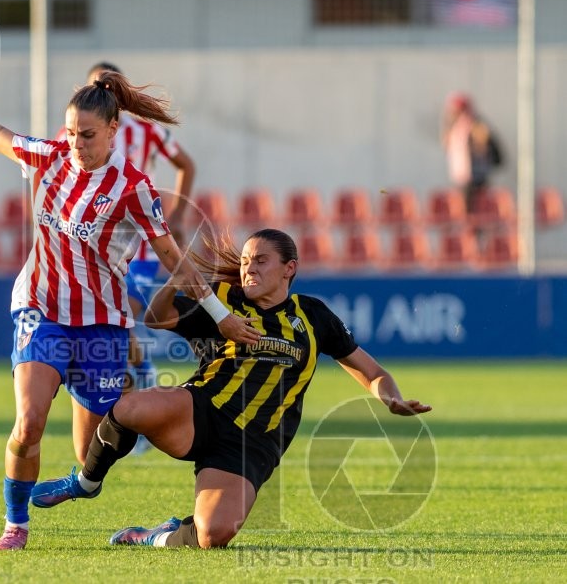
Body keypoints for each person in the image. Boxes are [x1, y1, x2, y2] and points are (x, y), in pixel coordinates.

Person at [0, 25, 261, 551]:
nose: (77, 145)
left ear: (114, 130)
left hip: (101, 323)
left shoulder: (134, 188)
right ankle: (15, 526)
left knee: (89, 455)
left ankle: (97, 490)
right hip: (41, 310)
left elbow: (173, 258)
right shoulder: (48, 155)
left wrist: (220, 315)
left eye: (88, 136)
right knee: (29, 421)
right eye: (73, 132)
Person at [31, 228, 432, 548]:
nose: (248, 269)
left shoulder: (312, 316)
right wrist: (177, 278)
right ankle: (86, 482)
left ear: (289, 268)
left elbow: (371, 371)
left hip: (253, 442)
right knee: (130, 409)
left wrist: (391, 398)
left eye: (260, 260)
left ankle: (154, 536)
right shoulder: (221, 300)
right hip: (201, 410)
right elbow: (156, 317)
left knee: (213, 535)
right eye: (244, 261)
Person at [59, 63, 197, 439]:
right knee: (114, 321)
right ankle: (134, 393)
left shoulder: (148, 131)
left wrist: (177, 215)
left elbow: (186, 164)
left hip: (141, 246)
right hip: (95, 248)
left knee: (122, 315)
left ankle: (139, 386)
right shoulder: (75, 133)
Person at [441, 92, 504, 214]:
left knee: (475, 214)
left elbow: (488, 147)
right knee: (464, 213)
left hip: (475, 179)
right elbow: (447, 145)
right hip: (463, 179)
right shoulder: (456, 127)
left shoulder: (475, 125)